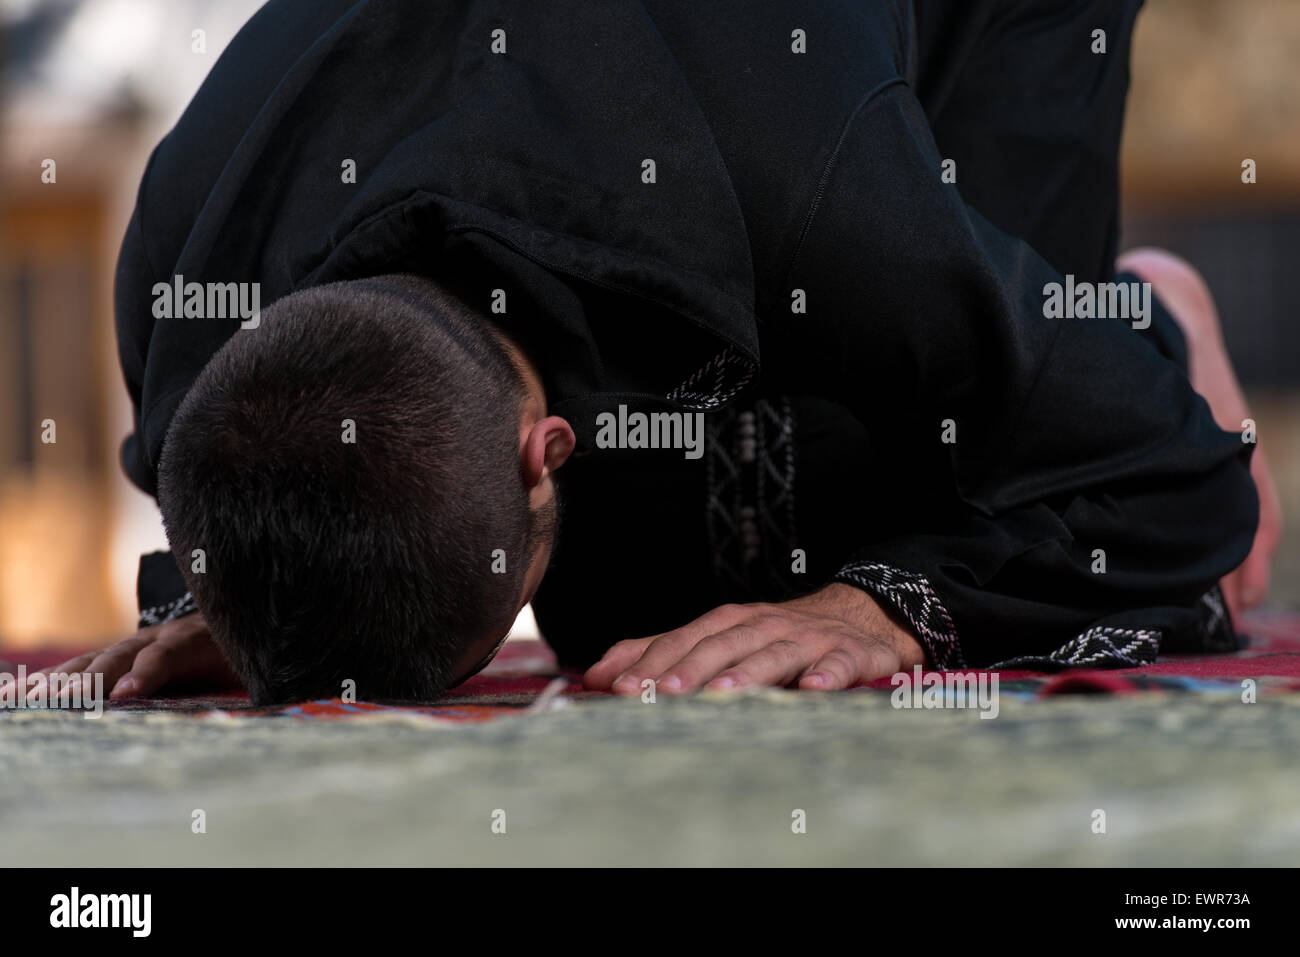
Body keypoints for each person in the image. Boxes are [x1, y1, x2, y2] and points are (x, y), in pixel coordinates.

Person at [16, 0, 1280, 705]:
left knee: (944, 509)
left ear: (546, 448)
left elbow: (1180, 482)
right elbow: (292, 481)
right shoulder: (191, 263)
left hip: (913, 46)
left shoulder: (830, 209)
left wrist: (880, 607)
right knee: (640, 631)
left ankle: (1147, 314)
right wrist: (261, 592)